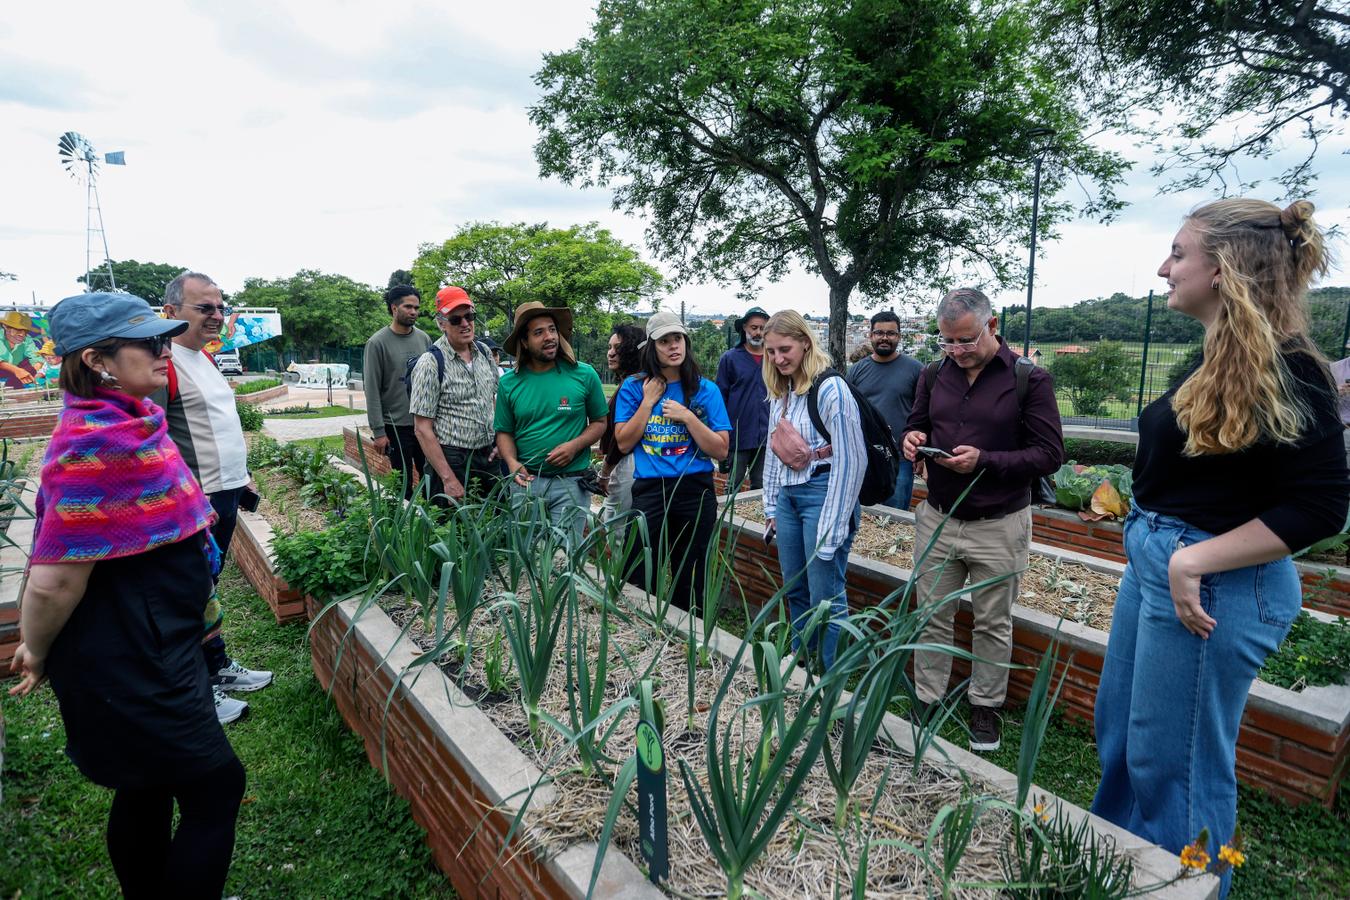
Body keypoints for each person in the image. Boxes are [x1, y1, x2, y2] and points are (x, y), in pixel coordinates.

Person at [1091, 199, 1348, 898]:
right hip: (1164, 566)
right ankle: (1115, 872)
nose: (1163, 268)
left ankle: (1180, 887)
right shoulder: (1217, 358)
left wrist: (1193, 560)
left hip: (1213, 583)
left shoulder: (1294, 369)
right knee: (1123, 740)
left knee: (1175, 766)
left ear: (1225, 269)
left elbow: (1322, 506)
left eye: (1178, 254)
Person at [8, 291, 245, 898]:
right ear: (97, 360)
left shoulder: (129, 423)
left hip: (157, 637)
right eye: (149, 342)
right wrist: (36, 647)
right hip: (131, 652)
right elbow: (56, 577)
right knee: (216, 786)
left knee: (147, 782)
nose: (165, 350)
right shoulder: (94, 446)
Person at [901, 288, 1064, 752]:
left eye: (966, 340)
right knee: (931, 614)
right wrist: (912, 439)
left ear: (992, 326)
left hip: (999, 522)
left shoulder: (1029, 379)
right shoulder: (933, 375)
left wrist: (985, 461)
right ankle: (928, 696)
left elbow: (1050, 454)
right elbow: (917, 423)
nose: (956, 351)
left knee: (992, 622)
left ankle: (985, 705)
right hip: (939, 516)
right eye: (947, 341)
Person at [157, 271, 273, 725]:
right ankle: (195, 690)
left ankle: (216, 666)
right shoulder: (164, 364)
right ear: (171, 311)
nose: (217, 316)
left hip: (224, 492)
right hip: (194, 501)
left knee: (206, 589)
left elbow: (218, 427)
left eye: (221, 307)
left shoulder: (203, 357)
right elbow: (155, 440)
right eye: (205, 307)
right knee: (189, 594)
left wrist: (242, 478)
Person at [760, 310, 865, 668]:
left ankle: (831, 674)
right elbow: (774, 451)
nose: (778, 358)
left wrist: (834, 524)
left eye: (785, 349)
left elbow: (852, 460)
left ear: (805, 342)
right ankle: (800, 659)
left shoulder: (830, 389)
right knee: (795, 587)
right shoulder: (783, 390)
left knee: (827, 595)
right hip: (789, 497)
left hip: (823, 492)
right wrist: (771, 506)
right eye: (771, 351)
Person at [615, 311, 731, 610]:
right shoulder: (634, 388)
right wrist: (648, 402)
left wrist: (688, 417)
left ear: (686, 342)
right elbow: (624, 442)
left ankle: (687, 628)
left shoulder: (705, 390)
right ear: (652, 348)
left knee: (691, 573)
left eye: (677, 338)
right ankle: (641, 622)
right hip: (651, 489)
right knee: (638, 569)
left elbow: (721, 450)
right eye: (664, 341)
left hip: (694, 489)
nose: (673, 346)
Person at [494, 302, 608, 544]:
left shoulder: (584, 374)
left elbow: (599, 422)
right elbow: (504, 432)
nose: (549, 337)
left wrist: (574, 446)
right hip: (526, 483)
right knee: (526, 555)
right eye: (539, 332)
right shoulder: (509, 383)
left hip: (571, 484)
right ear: (524, 342)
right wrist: (512, 462)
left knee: (566, 555)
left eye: (552, 329)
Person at [410, 286, 501, 503]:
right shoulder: (430, 363)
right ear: (442, 324)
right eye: (455, 319)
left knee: (495, 517)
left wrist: (499, 440)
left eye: (469, 316)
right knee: (452, 521)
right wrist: (448, 478)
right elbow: (422, 429)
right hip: (452, 459)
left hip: (488, 456)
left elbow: (492, 400)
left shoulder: (484, 353)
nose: (465, 323)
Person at [847, 310, 922, 510]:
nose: (885, 338)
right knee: (862, 514)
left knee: (895, 516)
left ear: (899, 336)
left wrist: (921, 454)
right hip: (864, 456)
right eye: (879, 332)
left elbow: (924, 414)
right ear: (870, 335)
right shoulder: (856, 371)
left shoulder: (916, 370)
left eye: (891, 333)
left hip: (900, 458)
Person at [363, 284, 432, 497]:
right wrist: (378, 431)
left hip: (424, 423)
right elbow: (372, 389)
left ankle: (434, 516)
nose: (413, 312)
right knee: (403, 483)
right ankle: (405, 516)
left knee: (431, 478)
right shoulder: (377, 343)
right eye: (408, 307)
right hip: (395, 426)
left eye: (416, 308)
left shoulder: (424, 339)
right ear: (394, 308)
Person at [715, 306, 770, 492]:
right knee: (733, 485)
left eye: (762, 328)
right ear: (744, 328)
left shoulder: (773, 359)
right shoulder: (730, 359)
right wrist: (721, 432)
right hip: (738, 435)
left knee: (761, 487)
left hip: (766, 437)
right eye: (754, 327)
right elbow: (720, 399)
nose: (758, 332)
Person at [598, 323, 646, 525]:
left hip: (629, 463)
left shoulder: (632, 385)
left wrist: (605, 472)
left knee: (615, 525)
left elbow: (620, 441)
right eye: (609, 347)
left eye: (618, 348)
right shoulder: (640, 381)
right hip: (639, 462)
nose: (611, 353)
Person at [0, 309, 42, 388]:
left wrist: (29, 372)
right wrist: (17, 371)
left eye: (25, 331)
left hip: (16, 376)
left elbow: (38, 359)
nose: (22, 334)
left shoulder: (27, 339)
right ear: (5, 326)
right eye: (17, 329)